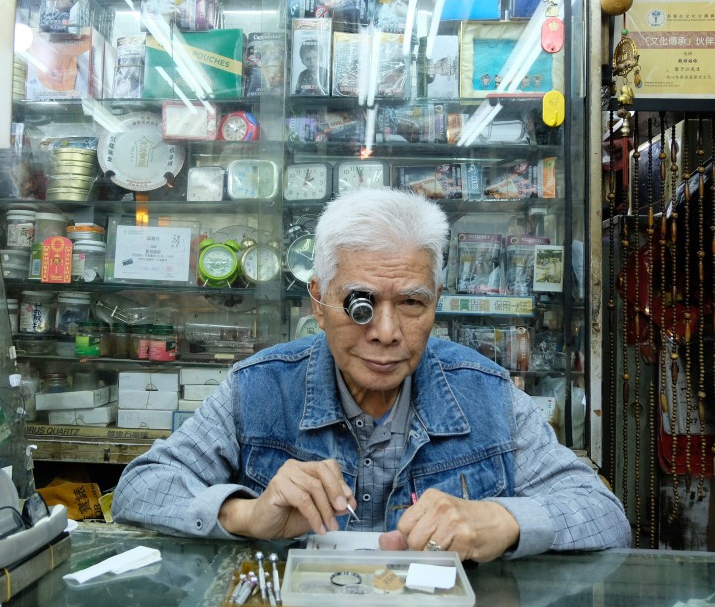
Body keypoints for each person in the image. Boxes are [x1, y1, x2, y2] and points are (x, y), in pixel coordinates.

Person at [112, 187, 631, 561]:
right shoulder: (259, 388)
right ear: (318, 301)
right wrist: (246, 515)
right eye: (360, 305)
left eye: (411, 303)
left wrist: (504, 521)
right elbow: (139, 488)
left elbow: (604, 516)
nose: (386, 332)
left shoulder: (486, 394)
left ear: (436, 304)